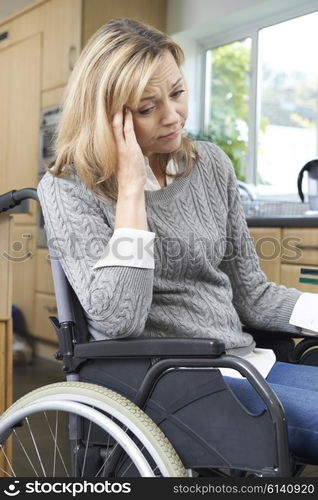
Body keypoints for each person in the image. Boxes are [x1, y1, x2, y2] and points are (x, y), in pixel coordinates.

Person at [38, 17, 318, 466]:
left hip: (246, 364)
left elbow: (251, 294)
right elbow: (119, 320)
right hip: (176, 382)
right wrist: (131, 191)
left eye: (178, 93)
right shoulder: (69, 188)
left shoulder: (211, 165)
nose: (173, 116)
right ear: (105, 115)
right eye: (147, 107)